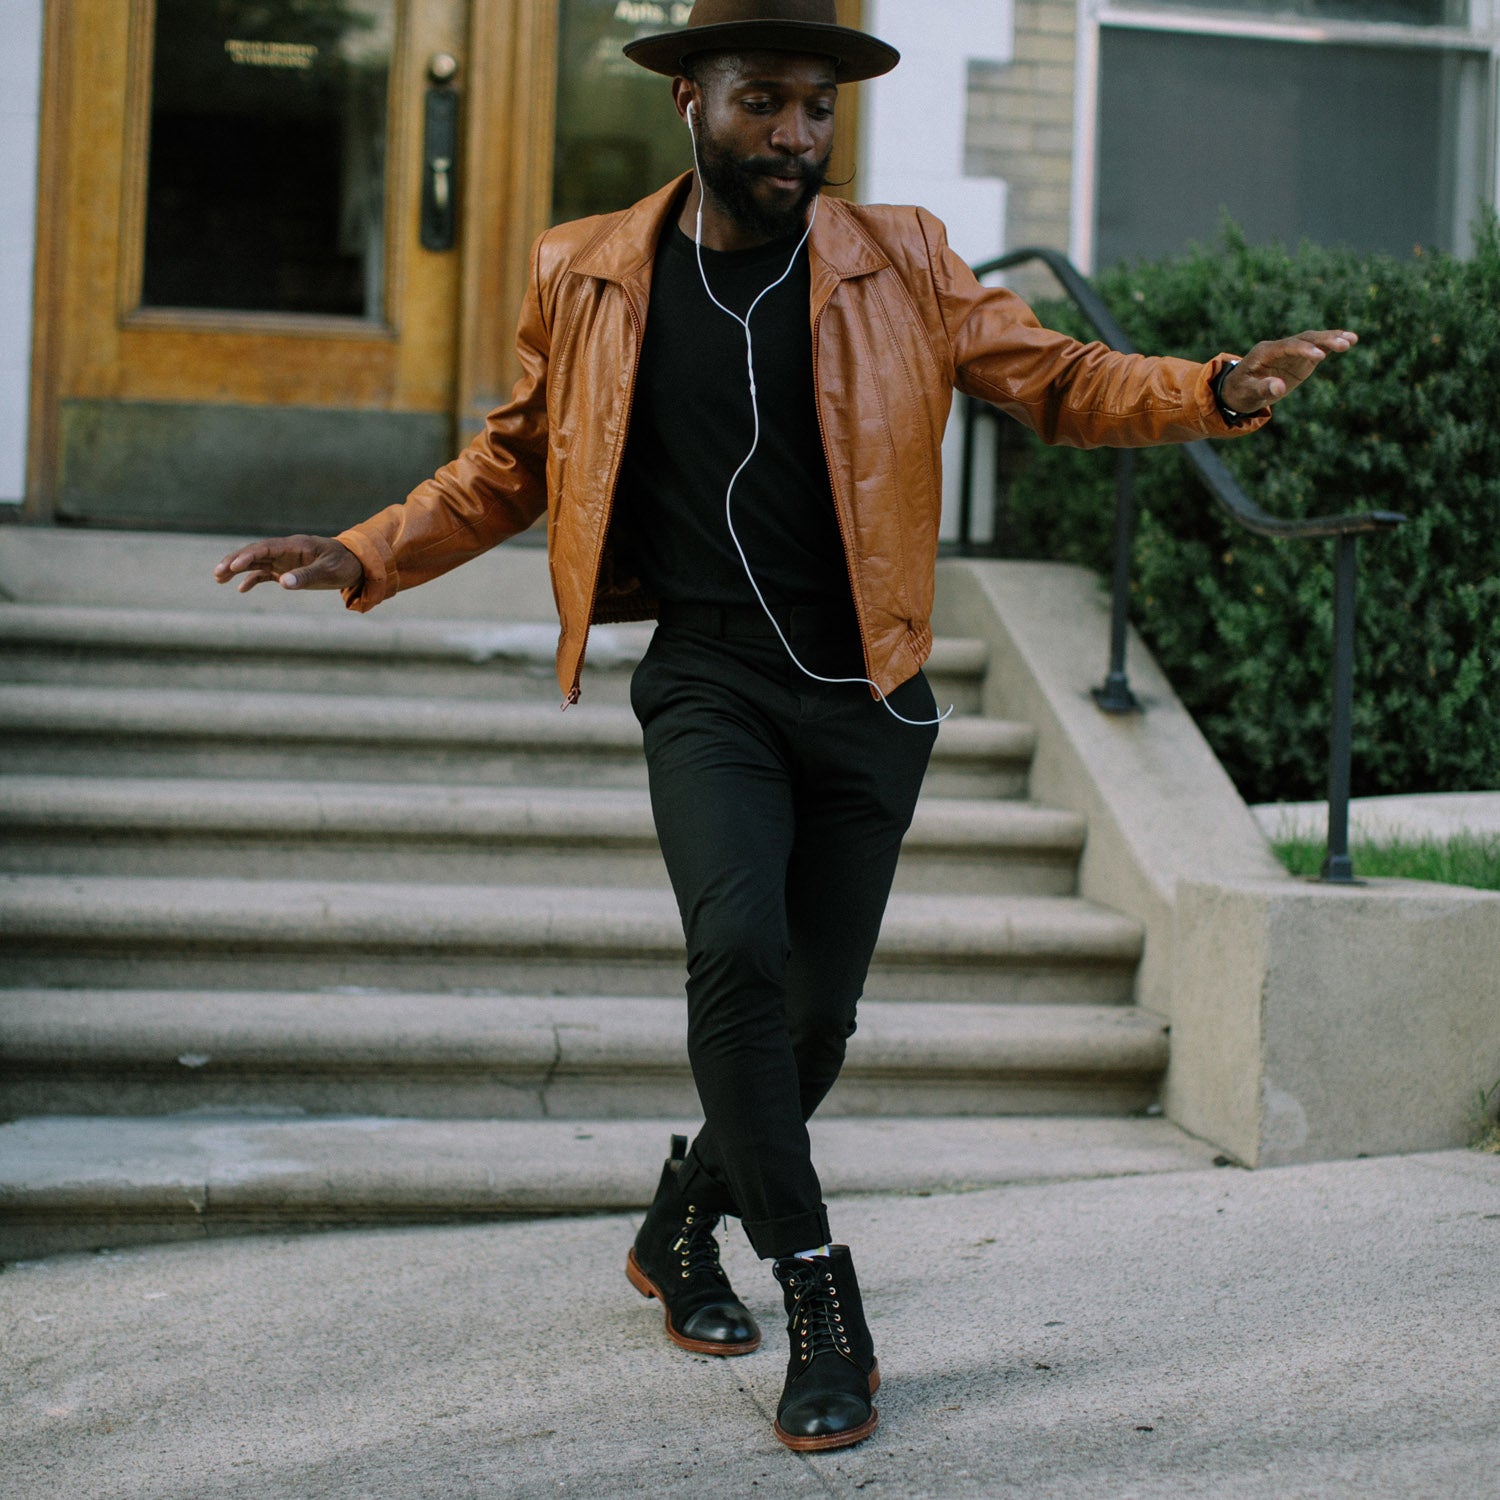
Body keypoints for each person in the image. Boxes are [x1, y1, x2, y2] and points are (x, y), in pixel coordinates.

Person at [214, 0, 1358, 1453]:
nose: (796, 135)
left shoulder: (908, 262)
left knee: (812, 1021)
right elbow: (514, 460)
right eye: (765, 101)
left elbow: (1059, 380)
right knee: (738, 953)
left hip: (864, 695)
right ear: (689, 99)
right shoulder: (592, 272)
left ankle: (681, 1223)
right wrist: (367, 546)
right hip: (708, 682)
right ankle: (820, 1294)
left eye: (816, 107)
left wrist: (1215, 391)